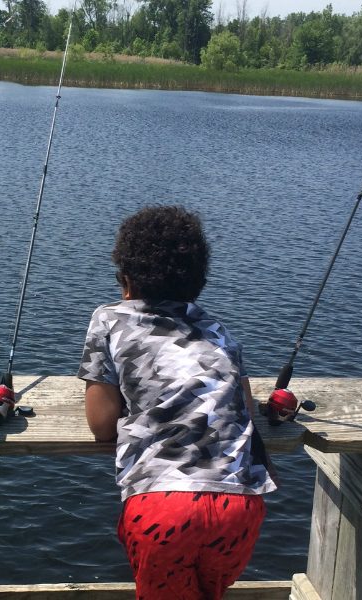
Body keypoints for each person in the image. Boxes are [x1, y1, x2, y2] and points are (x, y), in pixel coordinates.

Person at [78, 205, 277, 600]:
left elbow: (101, 425)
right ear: (197, 283)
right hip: (239, 506)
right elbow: (245, 410)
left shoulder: (109, 319)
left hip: (163, 505)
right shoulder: (220, 331)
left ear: (126, 281)